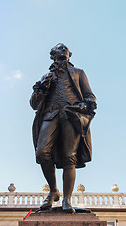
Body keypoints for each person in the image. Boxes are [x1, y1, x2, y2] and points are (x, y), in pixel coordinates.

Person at [30, 43, 96, 213]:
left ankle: (67, 199)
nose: (64, 50)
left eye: (66, 49)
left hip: (70, 117)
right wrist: (40, 90)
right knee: (42, 153)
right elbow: (34, 104)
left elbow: (90, 96)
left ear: (69, 55)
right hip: (50, 115)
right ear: (53, 55)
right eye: (60, 48)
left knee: (69, 157)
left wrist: (83, 106)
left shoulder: (78, 73)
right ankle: (53, 191)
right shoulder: (46, 77)